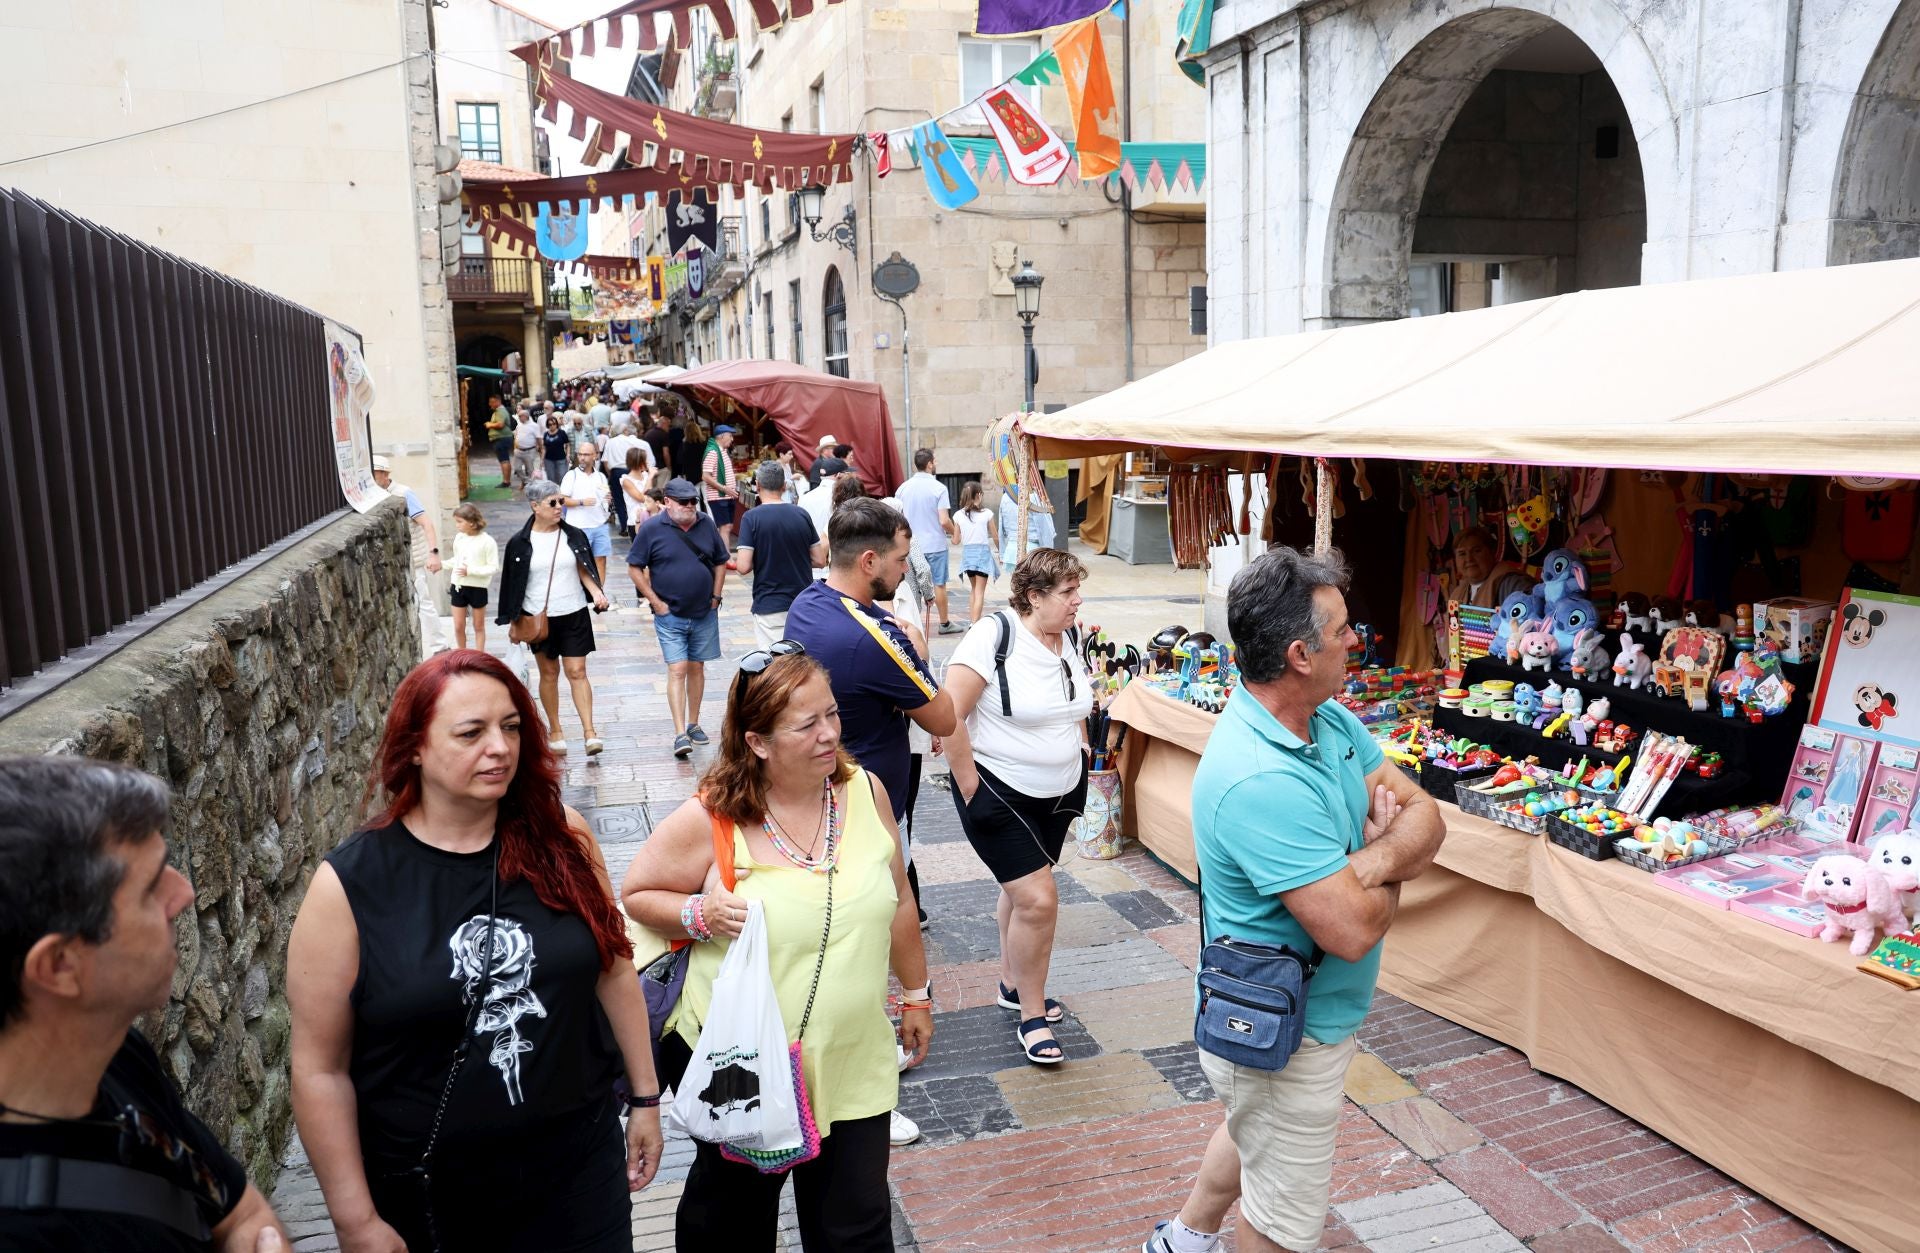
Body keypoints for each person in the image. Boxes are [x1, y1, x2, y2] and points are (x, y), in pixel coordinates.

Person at [287, 651, 663, 1253]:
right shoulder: (350, 886)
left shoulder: (562, 839)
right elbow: (317, 1068)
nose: (500, 748)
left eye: (512, 727)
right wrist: (354, 1219)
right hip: (432, 1189)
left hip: (579, 1170)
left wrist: (645, 1098)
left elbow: (614, 970)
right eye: (472, 732)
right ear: (414, 746)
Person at [1145, 548, 1446, 1253]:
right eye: (1341, 629)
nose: (1355, 639)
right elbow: (1353, 929)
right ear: (1299, 654)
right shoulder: (1260, 778)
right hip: (1286, 1030)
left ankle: (1185, 1238)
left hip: (1292, 1024)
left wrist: (1368, 859)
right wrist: (1390, 860)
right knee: (1280, 1224)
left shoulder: (1329, 721)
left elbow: (1427, 814)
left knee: (1256, 1129)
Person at [620, 646, 934, 1244]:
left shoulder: (865, 792)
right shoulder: (716, 816)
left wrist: (916, 994)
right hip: (741, 1063)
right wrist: (700, 912)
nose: (830, 734)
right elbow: (637, 894)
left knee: (856, 1227)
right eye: (807, 724)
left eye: (832, 715)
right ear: (758, 741)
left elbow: (898, 896)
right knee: (732, 1223)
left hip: (851, 1056)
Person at [0, 757, 288, 1253]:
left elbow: (244, 1215)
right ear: (60, 965)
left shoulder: (111, 1057)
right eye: (152, 886)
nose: (184, 893)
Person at [941, 548, 1093, 1065]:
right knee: (1039, 900)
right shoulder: (992, 636)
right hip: (999, 790)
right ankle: (1031, 1014)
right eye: (1067, 593)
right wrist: (969, 788)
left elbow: (1073, 698)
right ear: (1034, 596)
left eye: (1078, 590)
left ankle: (1011, 982)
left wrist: (1081, 743)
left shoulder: (1068, 636)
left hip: (1059, 793)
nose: (1078, 602)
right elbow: (947, 715)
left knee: (1021, 890)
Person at [783, 498, 957, 838]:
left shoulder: (806, 602)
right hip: (871, 813)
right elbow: (944, 719)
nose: (905, 569)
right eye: (901, 559)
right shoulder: (874, 640)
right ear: (869, 561)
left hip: (821, 796)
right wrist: (919, 653)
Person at [497, 480, 610, 757]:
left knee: (577, 671)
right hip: (539, 618)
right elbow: (512, 584)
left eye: (561, 501)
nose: (560, 507)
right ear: (535, 506)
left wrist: (596, 592)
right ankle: (556, 730)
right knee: (549, 674)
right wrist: (513, 622)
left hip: (573, 613)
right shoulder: (519, 543)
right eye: (553, 503)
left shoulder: (574, 535)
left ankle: (589, 733)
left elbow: (584, 569)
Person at [628, 478, 728, 759]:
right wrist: (655, 601)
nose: (690, 507)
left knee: (697, 667)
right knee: (678, 668)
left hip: (703, 611)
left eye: (693, 501)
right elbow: (634, 567)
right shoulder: (651, 528)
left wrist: (716, 596)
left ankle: (693, 723)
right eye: (684, 502)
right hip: (669, 613)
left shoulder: (706, 523)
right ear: (667, 502)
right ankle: (679, 733)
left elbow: (721, 560)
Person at [735, 461, 828, 650]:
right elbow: (819, 560)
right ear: (784, 486)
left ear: (758, 485)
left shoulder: (751, 518)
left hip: (770, 603)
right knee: (802, 662)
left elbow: (743, 567)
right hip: (803, 602)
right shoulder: (801, 514)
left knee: (775, 667)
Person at [371, 455, 447, 656]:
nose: (371, 477)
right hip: (390, 559)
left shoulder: (404, 493)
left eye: (375, 473)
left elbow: (426, 524)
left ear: (385, 474)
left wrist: (434, 554)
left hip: (414, 559)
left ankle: (440, 646)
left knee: (422, 601)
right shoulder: (372, 495)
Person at [897, 449, 963, 636]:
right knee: (939, 584)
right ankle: (944, 622)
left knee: (908, 585)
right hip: (935, 544)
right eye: (935, 461)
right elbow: (944, 520)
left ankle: (910, 621)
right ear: (929, 464)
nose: (936, 464)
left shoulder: (902, 488)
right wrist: (955, 533)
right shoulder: (939, 488)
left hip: (909, 545)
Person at [559, 443, 614, 588]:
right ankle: (581, 592)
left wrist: (607, 500)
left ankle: (600, 592)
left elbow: (605, 496)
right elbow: (562, 499)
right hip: (579, 526)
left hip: (600, 525)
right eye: (580, 454)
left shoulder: (601, 476)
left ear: (595, 456)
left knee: (601, 559)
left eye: (586, 455)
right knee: (581, 562)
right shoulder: (572, 475)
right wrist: (581, 502)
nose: (582, 458)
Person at [448, 503, 498, 653]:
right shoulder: (459, 538)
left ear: (471, 522)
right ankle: (461, 654)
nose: (457, 525)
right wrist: (441, 565)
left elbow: (493, 567)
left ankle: (479, 655)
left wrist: (471, 571)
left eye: (459, 521)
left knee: (478, 626)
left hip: (478, 588)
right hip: (458, 585)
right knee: (458, 626)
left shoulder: (487, 542)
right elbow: (456, 560)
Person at [1451, 524, 1531, 609]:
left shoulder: (1513, 584)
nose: (1469, 559)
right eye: (1462, 554)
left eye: (1476, 551)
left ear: (1492, 552)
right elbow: (1453, 621)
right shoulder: (1457, 594)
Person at [955, 480, 1000, 626]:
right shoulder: (986, 513)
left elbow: (955, 540)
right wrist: (1001, 552)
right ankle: (974, 624)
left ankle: (972, 621)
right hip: (982, 555)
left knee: (974, 589)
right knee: (980, 591)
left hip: (968, 556)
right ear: (979, 495)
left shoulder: (958, 515)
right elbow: (995, 536)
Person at [797, 455, 847, 579]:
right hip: (835, 567)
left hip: (810, 564)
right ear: (838, 475)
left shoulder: (805, 498)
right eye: (846, 474)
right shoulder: (841, 497)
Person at [998, 471, 1056, 567]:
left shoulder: (1005, 497)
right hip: (1032, 552)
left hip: (1012, 550)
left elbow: (1001, 527)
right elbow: (1045, 530)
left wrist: (1002, 553)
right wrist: (1048, 554)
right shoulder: (1034, 497)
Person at [602, 423, 650, 537]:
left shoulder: (610, 442)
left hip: (616, 471)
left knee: (619, 501)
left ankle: (624, 526)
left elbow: (605, 461)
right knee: (629, 499)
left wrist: (610, 474)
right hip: (629, 470)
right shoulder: (632, 442)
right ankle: (632, 523)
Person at [701, 424, 741, 550]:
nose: (732, 439)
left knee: (727, 526)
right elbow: (705, 476)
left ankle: (722, 553)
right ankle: (727, 557)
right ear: (722, 436)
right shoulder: (713, 452)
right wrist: (724, 488)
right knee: (724, 527)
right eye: (730, 436)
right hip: (719, 497)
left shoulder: (722, 451)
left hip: (725, 496)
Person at [643, 408, 675, 490]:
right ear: (664, 424)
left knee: (651, 490)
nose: (669, 428)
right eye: (669, 425)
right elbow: (666, 453)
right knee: (661, 490)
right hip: (662, 467)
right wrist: (669, 467)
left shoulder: (648, 433)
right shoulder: (664, 435)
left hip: (650, 467)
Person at [511, 407, 542, 490]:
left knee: (530, 469)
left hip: (529, 450)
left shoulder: (534, 426)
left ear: (526, 416)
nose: (519, 417)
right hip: (518, 450)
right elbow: (516, 436)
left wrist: (541, 448)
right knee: (517, 468)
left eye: (521, 416)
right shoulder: (519, 425)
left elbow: (538, 438)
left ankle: (530, 485)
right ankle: (527, 482)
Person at [485, 395, 512, 488]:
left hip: (502, 438)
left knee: (504, 460)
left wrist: (489, 425)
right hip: (502, 438)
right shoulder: (499, 411)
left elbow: (500, 424)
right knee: (505, 459)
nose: (490, 404)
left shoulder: (500, 411)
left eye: (491, 402)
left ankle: (506, 481)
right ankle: (507, 480)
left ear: (497, 401)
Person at [540, 414, 569, 485]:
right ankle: (553, 493)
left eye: (554, 424)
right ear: (547, 425)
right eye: (550, 424)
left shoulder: (562, 433)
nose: (552, 426)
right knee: (551, 478)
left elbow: (567, 444)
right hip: (549, 459)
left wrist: (568, 455)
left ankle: (561, 492)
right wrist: (542, 459)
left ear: (556, 424)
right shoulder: (546, 434)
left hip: (561, 458)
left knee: (562, 476)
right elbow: (544, 448)